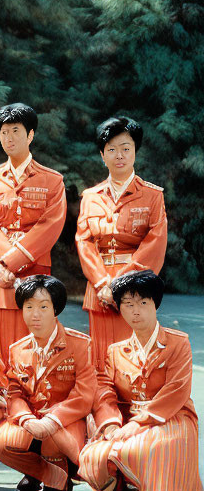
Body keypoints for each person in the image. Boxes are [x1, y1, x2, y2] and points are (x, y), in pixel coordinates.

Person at [79, 270, 204, 491]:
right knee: (93, 455)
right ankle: (124, 482)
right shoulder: (115, 351)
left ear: (155, 304)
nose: (136, 311)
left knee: (143, 448)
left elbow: (177, 390)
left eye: (143, 303)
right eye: (128, 304)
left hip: (171, 416)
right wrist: (112, 423)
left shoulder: (178, 343)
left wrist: (138, 424)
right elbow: (104, 391)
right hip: (127, 419)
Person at [0, 103, 66, 365]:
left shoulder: (52, 180)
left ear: (31, 135)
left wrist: (11, 262)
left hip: (33, 272)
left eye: (15, 131)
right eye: (3, 132)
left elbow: (50, 226)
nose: (9, 138)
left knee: (33, 344)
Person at [0, 275, 96, 491]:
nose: (34, 314)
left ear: (56, 309)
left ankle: (59, 479)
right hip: (32, 420)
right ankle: (44, 475)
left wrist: (53, 419)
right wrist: (26, 418)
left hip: (66, 422)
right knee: (0, 442)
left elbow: (84, 395)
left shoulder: (79, 344)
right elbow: (14, 393)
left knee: (51, 440)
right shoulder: (17, 349)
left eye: (43, 307)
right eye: (29, 307)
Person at [75, 117, 167, 372]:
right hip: (99, 289)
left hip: (136, 288)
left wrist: (121, 284)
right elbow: (84, 242)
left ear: (135, 152)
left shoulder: (152, 196)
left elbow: (155, 243)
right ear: (102, 154)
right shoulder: (90, 197)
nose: (120, 155)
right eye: (112, 149)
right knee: (101, 360)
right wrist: (103, 284)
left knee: (136, 358)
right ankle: (104, 409)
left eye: (126, 148)